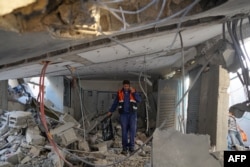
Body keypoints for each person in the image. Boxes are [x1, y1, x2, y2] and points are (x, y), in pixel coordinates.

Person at [107, 80, 141, 155]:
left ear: (129, 86)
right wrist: (111, 111)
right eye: (125, 86)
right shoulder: (120, 93)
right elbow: (115, 103)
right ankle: (124, 148)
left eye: (127, 86)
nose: (126, 87)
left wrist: (134, 93)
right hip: (123, 115)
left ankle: (131, 147)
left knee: (132, 131)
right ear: (123, 86)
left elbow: (139, 100)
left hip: (132, 115)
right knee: (124, 132)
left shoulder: (134, 92)